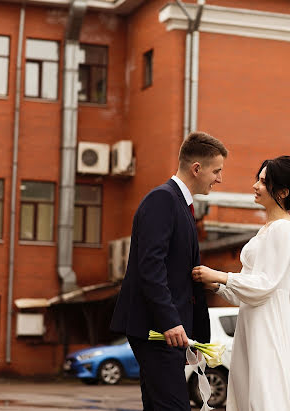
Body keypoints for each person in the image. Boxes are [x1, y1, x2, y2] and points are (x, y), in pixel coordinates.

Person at [192, 155, 290, 411]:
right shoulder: (268, 229)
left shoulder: (283, 229)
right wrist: (216, 286)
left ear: (281, 191)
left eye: (263, 181)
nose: (255, 186)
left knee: (265, 395)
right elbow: (246, 294)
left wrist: (219, 275)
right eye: (257, 179)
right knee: (250, 392)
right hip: (251, 324)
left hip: (267, 326)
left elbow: (264, 285)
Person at [110, 131, 228, 411]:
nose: (219, 179)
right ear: (196, 168)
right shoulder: (162, 200)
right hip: (158, 329)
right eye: (217, 171)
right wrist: (169, 321)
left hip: (170, 332)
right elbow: (151, 266)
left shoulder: (181, 204)